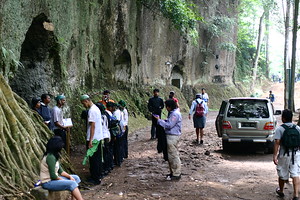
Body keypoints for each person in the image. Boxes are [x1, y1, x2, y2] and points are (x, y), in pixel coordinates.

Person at [273, 109, 300, 200]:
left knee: (282, 173)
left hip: (284, 154)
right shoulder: (297, 128)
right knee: (295, 173)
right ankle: (296, 195)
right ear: (292, 118)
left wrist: (274, 156)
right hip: (296, 153)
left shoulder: (280, 129)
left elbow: (277, 142)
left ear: (283, 118)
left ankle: (281, 191)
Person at [154, 99, 182, 180]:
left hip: (172, 136)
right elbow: (168, 122)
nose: (166, 108)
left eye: (167, 107)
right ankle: (173, 172)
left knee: (173, 155)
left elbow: (169, 125)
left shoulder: (175, 114)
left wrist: (159, 121)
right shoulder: (172, 113)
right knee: (170, 155)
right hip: (170, 136)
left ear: (170, 107)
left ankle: (176, 174)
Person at [80, 95, 103, 185]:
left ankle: (95, 178)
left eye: (83, 103)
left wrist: (90, 140)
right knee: (97, 157)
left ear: (86, 101)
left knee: (93, 159)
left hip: (94, 139)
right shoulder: (96, 108)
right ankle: (97, 175)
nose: (83, 106)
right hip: (98, 138)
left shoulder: (92, 111)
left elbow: (92, 126)